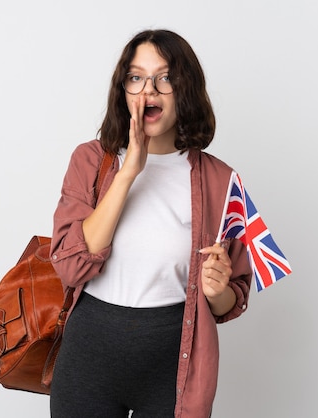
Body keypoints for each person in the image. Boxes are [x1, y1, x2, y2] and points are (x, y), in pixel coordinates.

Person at [49, 29, 253, 418]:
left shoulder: (222, 182)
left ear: (185, 88)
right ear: (123, 89)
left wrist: (218, 289)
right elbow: (71, 264)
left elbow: (231, 302)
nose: (150, 90)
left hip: (173, 366)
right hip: (88, 357)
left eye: (165, 77)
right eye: (136, 77)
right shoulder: (91, 161)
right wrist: (129, 172)